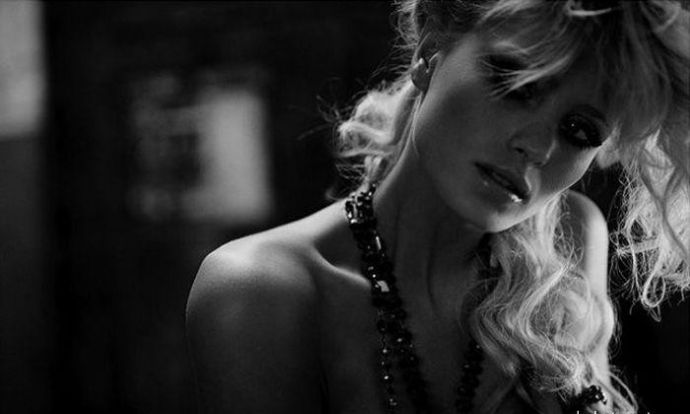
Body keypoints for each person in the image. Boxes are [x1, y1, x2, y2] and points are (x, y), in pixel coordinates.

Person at [185, 0, 690, 413]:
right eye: (515, 84)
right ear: (430, 49)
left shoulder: (571, 242)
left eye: (579, 131)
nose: (538, 147)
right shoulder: (262, 291)